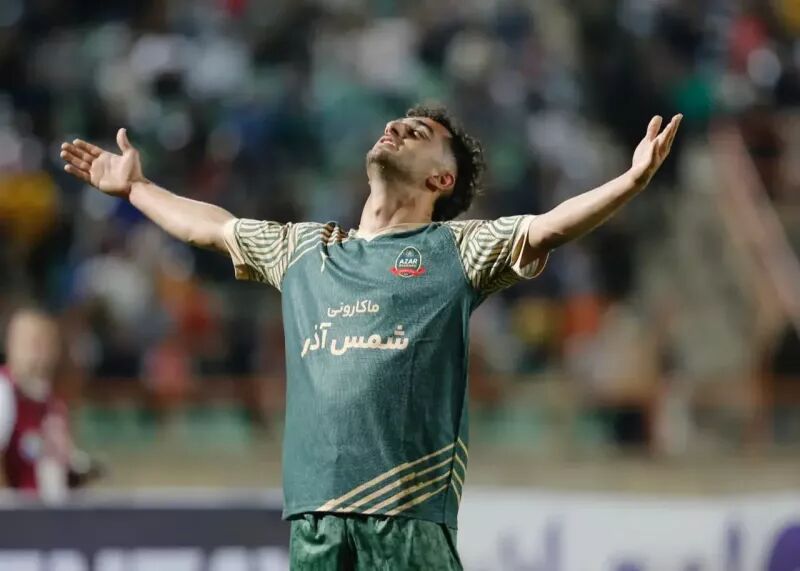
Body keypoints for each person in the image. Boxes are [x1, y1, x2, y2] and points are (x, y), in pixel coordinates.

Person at [60, 104, 681, 569]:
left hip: (405, 518)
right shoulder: (305, 250)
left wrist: (628, 182)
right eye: (398, 123)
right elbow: (213, 228)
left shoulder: (455, 250)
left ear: (442, 180)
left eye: (421, 133)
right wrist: (137, 188)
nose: (397, 127)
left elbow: (546, 228)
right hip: (315, 522)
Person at [0, 308, 101, 502]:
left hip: (51, 515)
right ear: (11, 345)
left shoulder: (53, 405)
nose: (37, 352)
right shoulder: (4, 391)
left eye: (45, 342)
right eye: (31, 342)